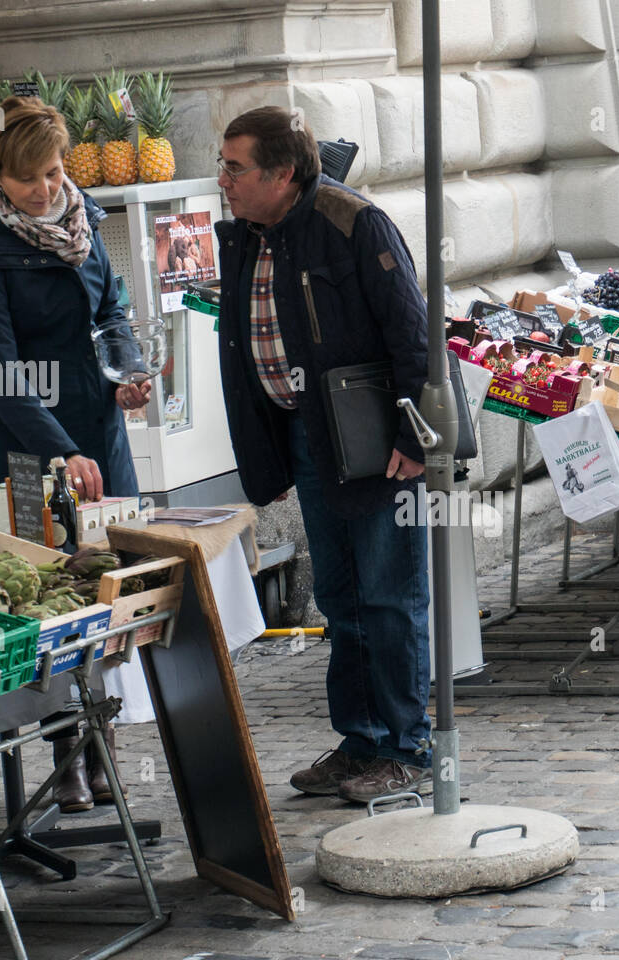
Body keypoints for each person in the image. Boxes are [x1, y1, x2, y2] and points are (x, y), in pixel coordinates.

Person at [212, 106, 433, 805]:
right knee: (339, 597)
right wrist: (267, 455)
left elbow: (412, 331)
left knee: (390, 596)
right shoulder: (248, 235)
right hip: (309, 439)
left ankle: (409, 747)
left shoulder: (350, 220)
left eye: (235, 166)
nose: (222, 179)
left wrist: (414, 434)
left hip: (373, 443)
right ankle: (361, 739)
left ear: (282, 173)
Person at [0, 95, 151, 812]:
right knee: (51, 596)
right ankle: (63, 747)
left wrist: (128, 373)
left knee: (109, 584)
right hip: (25, 442)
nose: (45, 188)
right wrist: (59, 453)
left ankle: (105, 739)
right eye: (29, 177)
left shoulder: (81, 212)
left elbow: (110, 311)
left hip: (97, 432)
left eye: (55, 170)